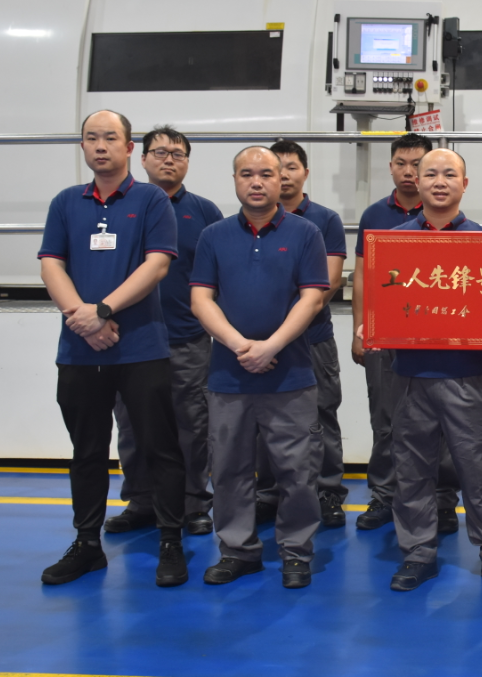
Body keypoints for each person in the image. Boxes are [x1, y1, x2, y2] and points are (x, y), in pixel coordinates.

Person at [38, 110, 187, 587]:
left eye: (110, 138)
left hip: (140, 348)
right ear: (83, 146)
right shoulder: (66, 202)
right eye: (91, 138)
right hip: (79, 350)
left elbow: (157, 264)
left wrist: (102, 310)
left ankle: (171, 539)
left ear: (128, 148)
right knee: (86, 450)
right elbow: (51, 265)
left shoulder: (151, 200)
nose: (100, 146)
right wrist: (82, 319)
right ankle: (87, 544)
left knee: (160, 447)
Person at [378, 148, 482, 592]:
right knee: (412, 470)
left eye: (450, 175)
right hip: (410, 376)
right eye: (431, 174)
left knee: (479, 469)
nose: (440, 182)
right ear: (416, 182)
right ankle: (418, 553)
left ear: (465, 184)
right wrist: (374, 322)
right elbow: (384, 301)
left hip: (467, 376)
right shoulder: (394, 242)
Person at [190, 146, 329, 589]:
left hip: (291, 376)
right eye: (246, 173)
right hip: (228, 376)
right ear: (234, 180)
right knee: (229, 469)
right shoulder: (213, 236)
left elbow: (312, 298)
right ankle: (237, 550)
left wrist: (271, 346)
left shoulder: (306, 233)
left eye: (266, 173)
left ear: (281, 178)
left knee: (297, 471)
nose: (256, 181)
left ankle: (296, 551)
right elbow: (201, 299)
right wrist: (239, 346)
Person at [104, 126, 222, 538]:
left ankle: (193, 504)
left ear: (187, 162)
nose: (168, 159)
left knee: (191, 425)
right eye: (159, 152)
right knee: (133, 424)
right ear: (142, 158)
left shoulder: (205, 212)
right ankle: (141, 501)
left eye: (177, 153)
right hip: (130, 337)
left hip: (187, 339)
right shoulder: (123, 206)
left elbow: (220, 275)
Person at [352, 133, 461, 534]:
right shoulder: (374, 216)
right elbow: (362, 276)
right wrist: (361, 328)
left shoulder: (452, 219)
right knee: (385, 418)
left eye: (418, 164)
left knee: (443, 423)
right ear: (391, 167)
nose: (410, 171)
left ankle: (443, 500)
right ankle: (384, 494)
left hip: (438, 339)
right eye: (401, 163)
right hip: (386, 336)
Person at [252, 140, 348, 528]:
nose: (284, 174)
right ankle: (269, 493)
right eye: (276, 168)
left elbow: (330, 281)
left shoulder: (325, 220)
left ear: (305, 173)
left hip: (313, 338)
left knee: (321, 415)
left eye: (291, 167)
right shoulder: (251, 221)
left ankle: (327, 491)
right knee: (265, 418)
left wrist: (289, 324)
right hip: (262, 342)